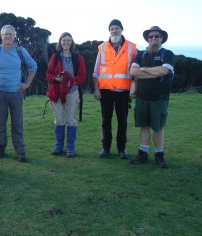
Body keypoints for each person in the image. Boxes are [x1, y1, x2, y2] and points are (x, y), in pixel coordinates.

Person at [0, 25, 37, 162]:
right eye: (5, 34)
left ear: (14, 36)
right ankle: (0, 148)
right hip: (0, 92)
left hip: (16, 92)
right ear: (1, 36)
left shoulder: (20, 51)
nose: (8, 36)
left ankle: (20, 150)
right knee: (0, 123)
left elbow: (33, 66)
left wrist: (27, 83)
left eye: (10, 34)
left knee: (17, 123)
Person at [129, 26, 174, 168]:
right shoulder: (140, 54)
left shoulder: (168, 54)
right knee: (144, 126)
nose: (153, 39)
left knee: (158, 127)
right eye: (150, 37)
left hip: (159, 98)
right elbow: (133, 71)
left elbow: (164, 70)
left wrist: (143, 70)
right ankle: (142, 153)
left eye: (156, 36)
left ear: (162, 38)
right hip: (142, 97)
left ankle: (159, 156)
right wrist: (153, 73)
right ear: (147, 39)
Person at [93, 19, 137, 159]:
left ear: (122, 30)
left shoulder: (131, 47)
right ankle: (106, 148)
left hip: (123, 91)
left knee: (122, 121)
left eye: (117, 28)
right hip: (105, 90)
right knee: (106, 120)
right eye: (112, 28)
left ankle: (121, 149)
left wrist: (134, 87)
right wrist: (96, 89)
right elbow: (96, 71)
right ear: (109, 31)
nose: (114, 31)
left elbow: (135, 70)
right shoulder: (102, 47)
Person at [46, 32, 86, 157]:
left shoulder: (78, 58)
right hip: (57, 92)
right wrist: (56, 79)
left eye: (68, 40)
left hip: (72, 92)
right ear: (60, 42)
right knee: (59, 119)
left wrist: (72, 81)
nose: (66, 42)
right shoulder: (55, 57)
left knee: (71, 120)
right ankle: (58, 145)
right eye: (64, 40)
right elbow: (48, 74)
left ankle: (70, 147)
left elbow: (82, 76)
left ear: (72, 42)